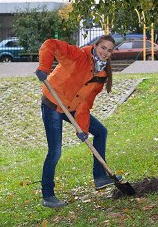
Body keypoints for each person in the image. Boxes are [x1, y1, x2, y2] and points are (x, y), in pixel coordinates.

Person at [34, 35, 121, 208]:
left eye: (109, 50)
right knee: (55, 151)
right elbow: (50, 44)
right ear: (95, 46)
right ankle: (48, 195)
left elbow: (85, 103)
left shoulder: (101, 75)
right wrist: (44, 67)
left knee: (101, 132)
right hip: (53, 103)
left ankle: (100, 177)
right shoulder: (78, 54)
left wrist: (82, 128)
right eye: (103, 47)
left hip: (72, 106)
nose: (105, 52)